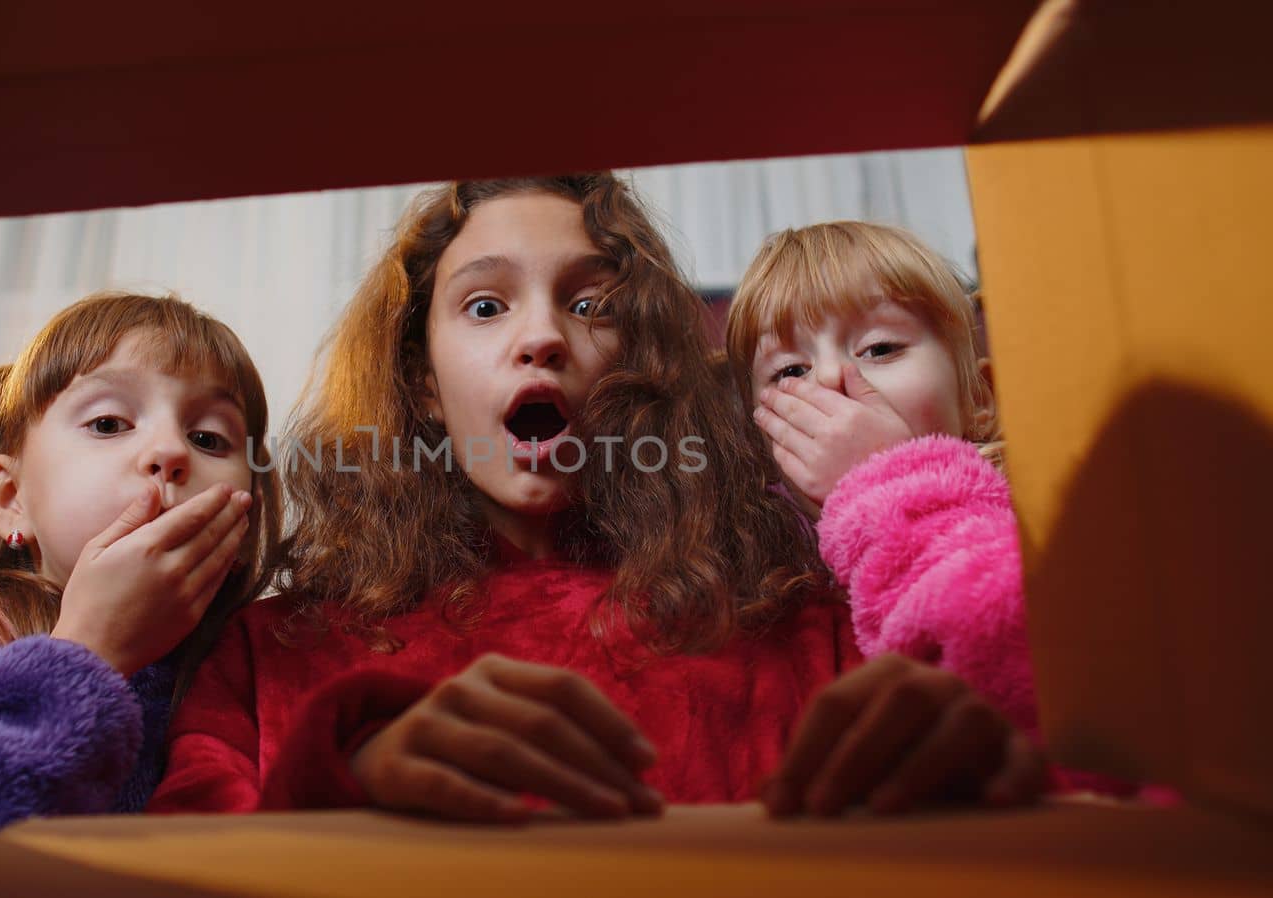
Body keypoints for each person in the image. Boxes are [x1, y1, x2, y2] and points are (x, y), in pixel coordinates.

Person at [151, 177, 1045, 822]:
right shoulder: (269, 655)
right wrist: (349, 782)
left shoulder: (805, 623)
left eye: (591, 302)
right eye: (487, 307)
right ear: (422, 383)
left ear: (647, 363)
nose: (542, 335)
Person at [0, 292, 280, 854]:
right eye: (109, 423)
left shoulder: (254, 670)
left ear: (247, 517)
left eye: (208, 438)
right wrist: (92, 649)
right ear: (11, 499)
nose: (169, 451)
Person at [729, 221, 1037, 736]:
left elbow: (1009, 660)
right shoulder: (757, 588)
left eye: (880, 348)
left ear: (979, 399)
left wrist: (880, 481)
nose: (828, 380)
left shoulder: (1034, 540)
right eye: (789, 372)